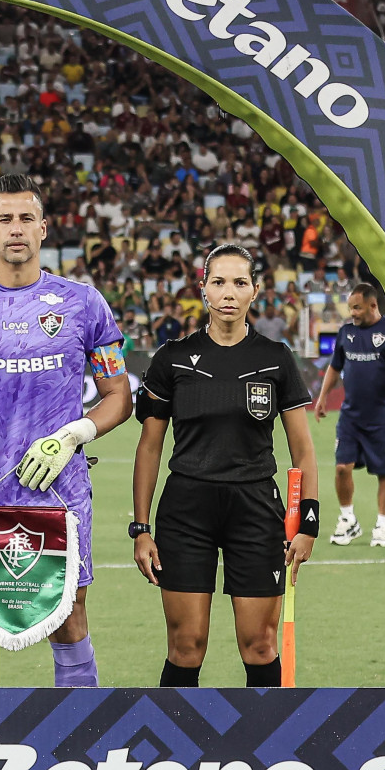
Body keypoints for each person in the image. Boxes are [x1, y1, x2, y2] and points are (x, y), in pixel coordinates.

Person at [0, 174, 135, 687]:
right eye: (6, 219)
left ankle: (79, 743)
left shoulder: (84, 303)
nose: (17, 229)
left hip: (58, 489)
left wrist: (73, 435)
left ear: (43, 229)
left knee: (70, 612)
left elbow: (118, 396)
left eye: (26, 219)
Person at [132, 243, 318, 688]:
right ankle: (177, 751)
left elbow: (304, 450)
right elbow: (150, 447)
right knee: (186, 645)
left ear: (255, 291)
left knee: (259, 644)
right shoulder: (171, 358)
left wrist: (308, 522)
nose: (229, 292)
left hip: (255, 508)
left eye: (239, 282)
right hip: (186, 510)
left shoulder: (276, 358)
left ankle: (266, 748)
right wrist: (140, 529)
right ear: (203, 290)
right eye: (219, 282)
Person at [314, 284, 385, 547]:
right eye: (350, 308)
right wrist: (323, 396)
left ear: (373, 306)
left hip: (383, 418)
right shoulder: (346, 333)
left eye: (357, 307)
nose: (352, 313)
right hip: (351, 417)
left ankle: (381, 527)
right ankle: (348, 521)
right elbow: (334, 367)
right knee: (341, 468)